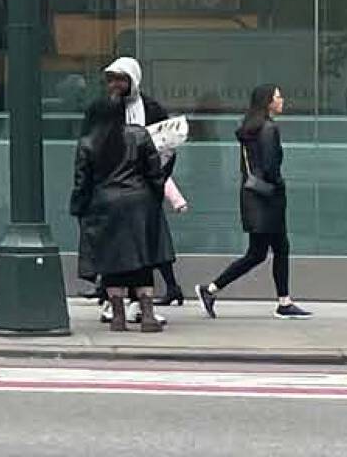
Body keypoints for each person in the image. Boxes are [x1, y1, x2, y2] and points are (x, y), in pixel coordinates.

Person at [71, 77, 171, 331]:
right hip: (140, 203)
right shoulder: (139, 135)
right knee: (143, 260)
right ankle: (147, 315)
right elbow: (155, 172)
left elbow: (82, 182)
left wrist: (79, 208)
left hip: (104, 205)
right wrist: (154, 198)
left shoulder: (88, 143)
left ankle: (117, 316)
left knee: (111, 262)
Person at [203, 84, 309, 318]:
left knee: (265, 251)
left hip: (253, 197)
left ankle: (213, 290)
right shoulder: (269, 129)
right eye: (278, 96)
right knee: (268, 251)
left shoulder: (250, 129)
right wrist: (279, 184)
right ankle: (282, 302)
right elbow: (270, 167)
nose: (282, 100)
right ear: (268, 102)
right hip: (268, 199)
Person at [101, 55, 189, 312]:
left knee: (145, 244)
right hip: (113, 188)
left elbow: (167, 147)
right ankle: (113, 299)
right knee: (116, 245)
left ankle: (139, 302)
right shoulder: (104, 109)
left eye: (121, 79)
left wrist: (157, 181)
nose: (115, 85)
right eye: (111, 80)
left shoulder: (151, 109)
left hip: (143, 188)